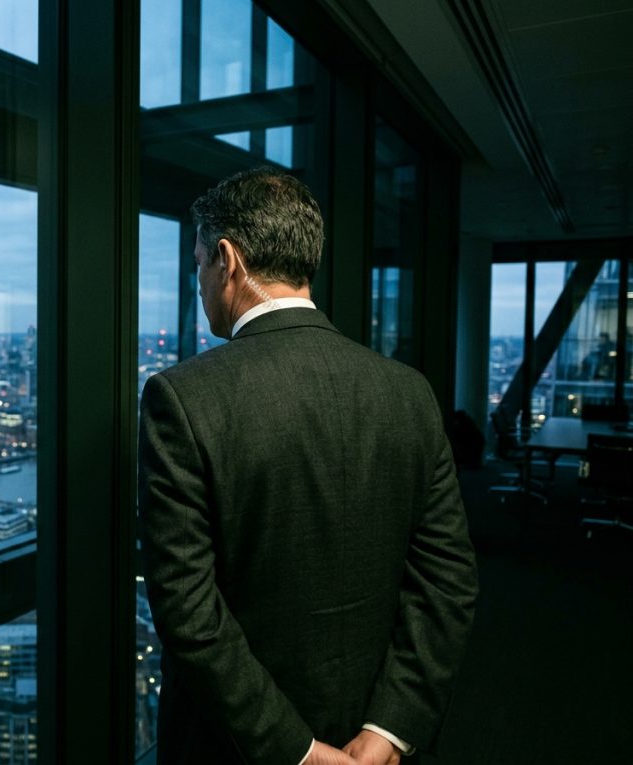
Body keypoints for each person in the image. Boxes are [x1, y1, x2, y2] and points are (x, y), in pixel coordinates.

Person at [138, 168, 478, 765]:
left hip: (237, 746)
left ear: (228, 260)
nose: (198, 282)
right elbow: (447, 580)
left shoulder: (183, 398)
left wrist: (295, 748)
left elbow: (188, 612)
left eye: (198, 263)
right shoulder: (409, 393)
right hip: (373, 738)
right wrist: (391, 727)